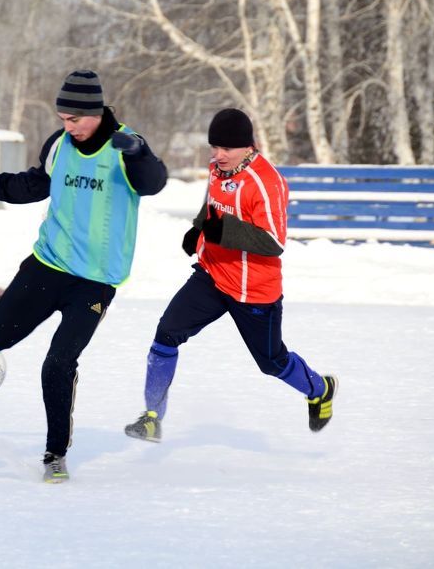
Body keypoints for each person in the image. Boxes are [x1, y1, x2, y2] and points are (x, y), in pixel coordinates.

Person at [0, 70, 168, 483]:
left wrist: (137, 152)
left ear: (97, 111)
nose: (69, 127)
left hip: (96, 281)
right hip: (49, 263)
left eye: (76, 119)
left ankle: (54, 454)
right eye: (63, 118)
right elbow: (30, 186)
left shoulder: (126, 145)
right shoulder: (59, 144)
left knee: (58, 363)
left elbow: (153, 183)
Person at [123, 108, 336, 443]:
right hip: (212, 274)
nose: (218, 155)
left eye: (226, 149)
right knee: (166, 334)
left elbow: (273, 241)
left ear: (248, 146)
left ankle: (320, 389)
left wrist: (219, 229)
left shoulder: (267, 183)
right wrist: (198, 230)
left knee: (272, 362)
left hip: (254, 290)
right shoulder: (217, 168)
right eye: (214, 147)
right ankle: (152, 418)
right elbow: (212, 205)